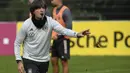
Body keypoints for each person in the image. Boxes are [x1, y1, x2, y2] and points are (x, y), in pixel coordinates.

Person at [14, 0, 90, 73]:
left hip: (44, 60)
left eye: (43, 8)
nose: (41, 10)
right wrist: (19, 61)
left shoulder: (50, 22)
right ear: (33, 11)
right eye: (38, 8)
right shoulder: (26, 24)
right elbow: (17, 43)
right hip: (29, 59)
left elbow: (64, 30)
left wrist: (77, 34)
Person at [51, 0, 73, 73]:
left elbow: (69, 26)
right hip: (55, 39)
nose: (51, 1)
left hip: (63, 39)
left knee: (64, 61)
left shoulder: (65, 10)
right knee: (53, 60)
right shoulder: (54, 10)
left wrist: (59, 35)